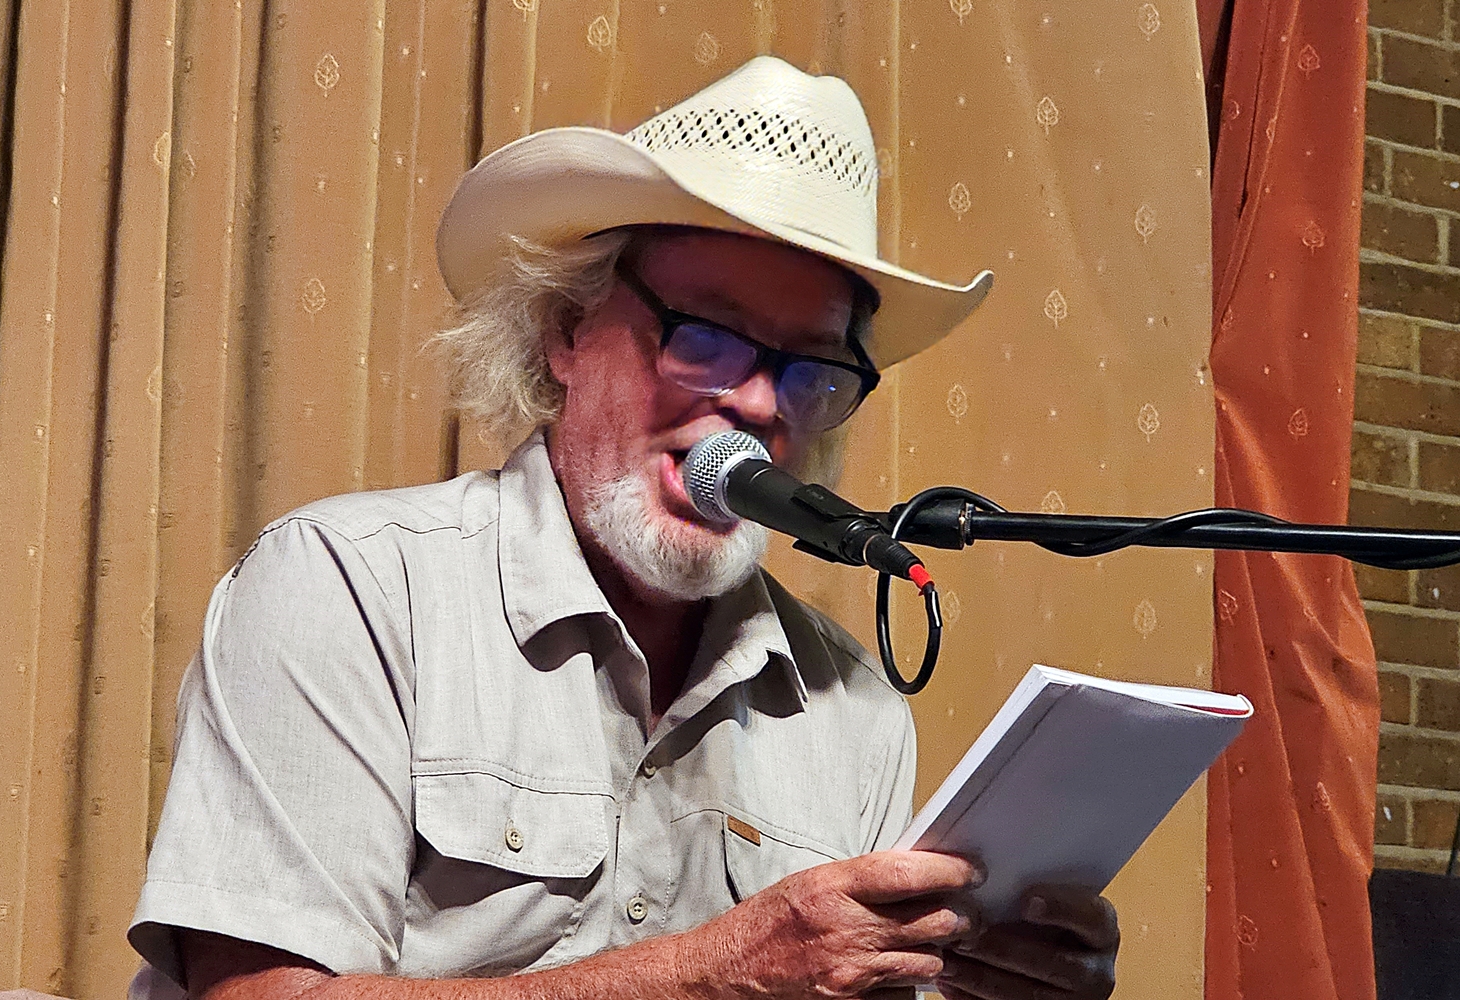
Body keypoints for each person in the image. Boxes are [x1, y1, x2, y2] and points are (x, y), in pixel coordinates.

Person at [128, 56, 1120, 1000]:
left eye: (809, 370)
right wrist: (713, 972)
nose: (758, 403)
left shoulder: (853, 708)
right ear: (567, 330)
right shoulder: (347, 589)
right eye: (708, 337)